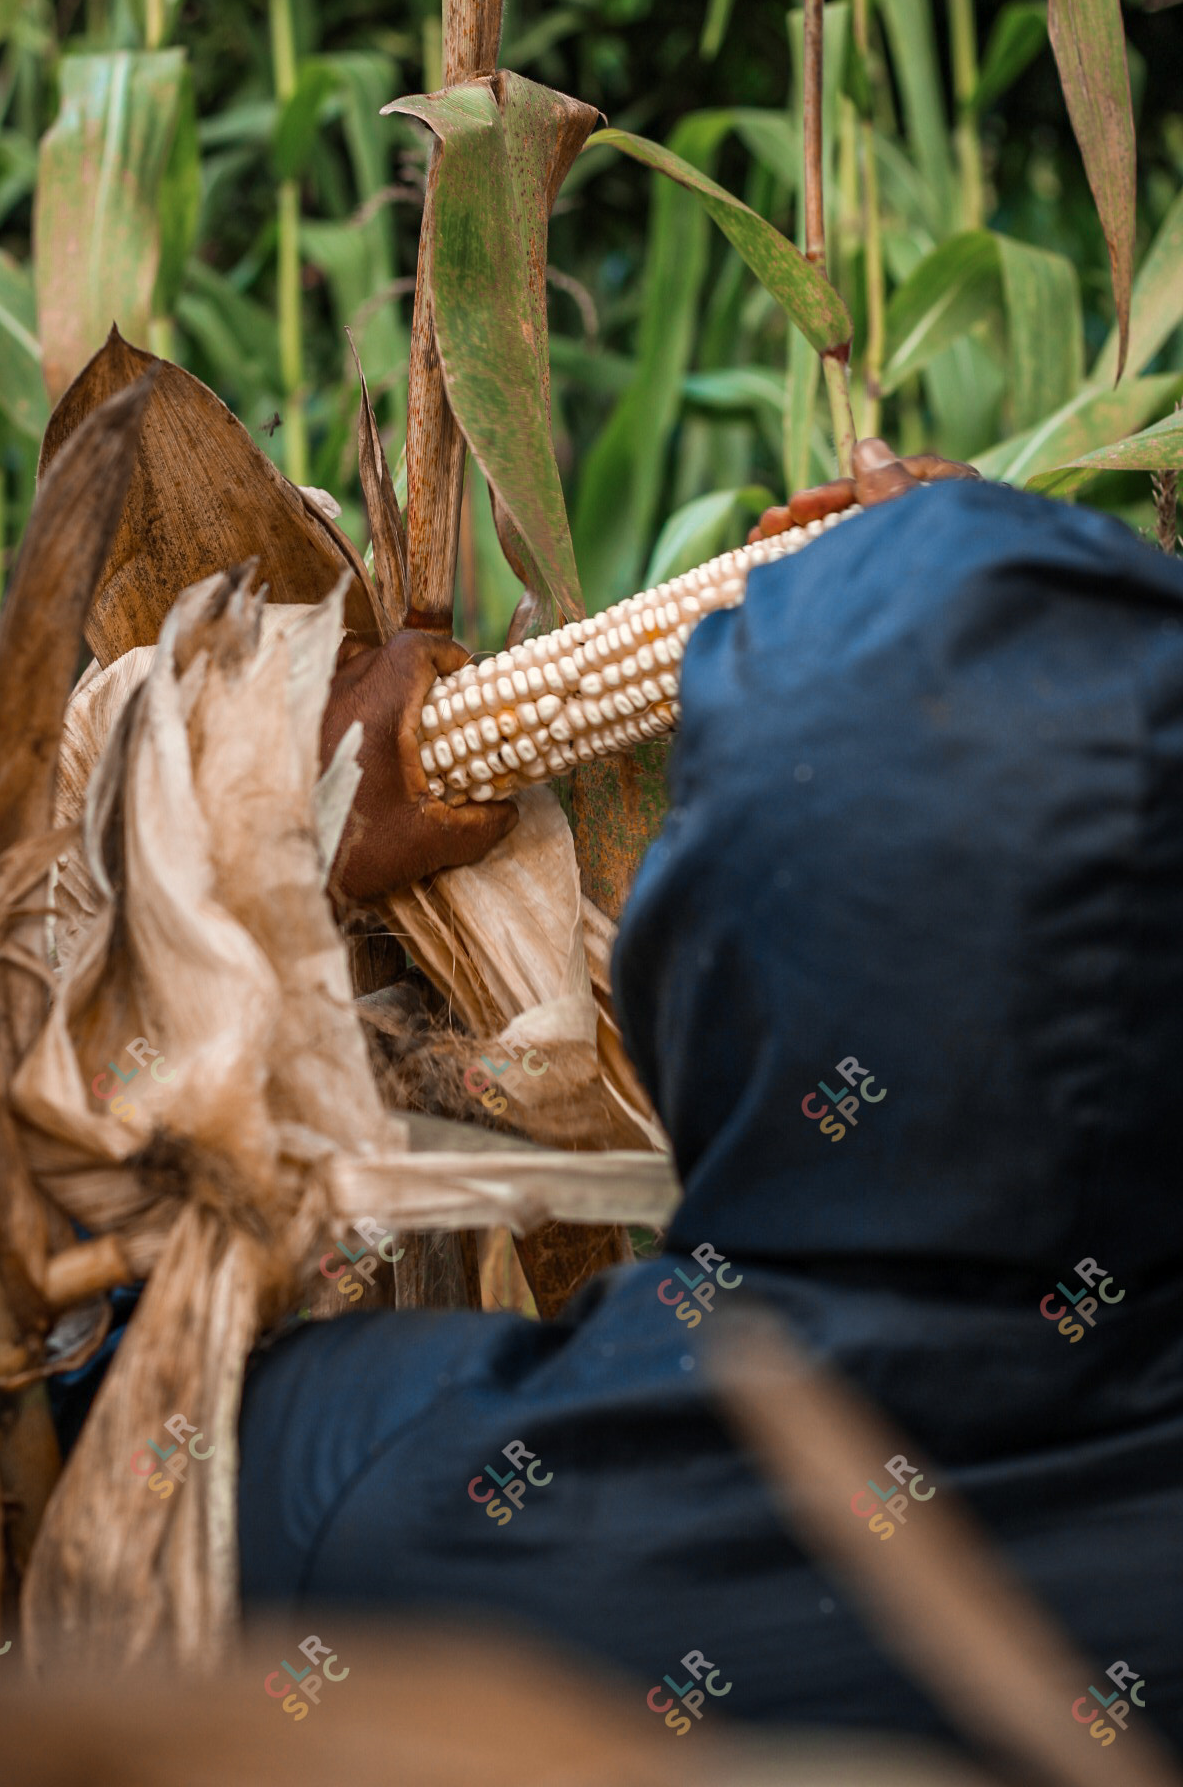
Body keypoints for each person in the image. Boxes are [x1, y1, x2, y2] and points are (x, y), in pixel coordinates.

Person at [235, 439, 1183, 1751]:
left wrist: (275, 852)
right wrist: (1033, 632)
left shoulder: (357, 1492)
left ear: (698, 955)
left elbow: (14, 1331)